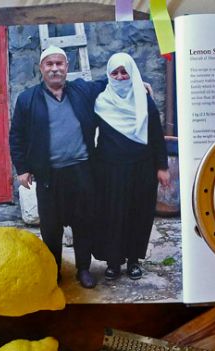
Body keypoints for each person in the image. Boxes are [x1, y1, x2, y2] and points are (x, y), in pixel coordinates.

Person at [9, 45, 106, 289]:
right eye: (49, 64)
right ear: (41, 68)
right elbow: (17, 135)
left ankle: (83, 269)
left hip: (81, 171)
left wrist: (138, 84)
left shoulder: (81, 90)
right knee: (51, 228)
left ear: (67, 67)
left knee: (84, 222)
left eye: (59, 63)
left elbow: (109, 82)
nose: (55, 69)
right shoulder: (27, 99)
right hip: (49, 175)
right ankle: (54, 271)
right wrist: (22, 168)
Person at [92, 52, 170, 281]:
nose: (119, 76)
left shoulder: (143, 100)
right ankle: (113, 262)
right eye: (115, 72)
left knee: (138, 214)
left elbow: (156, 135)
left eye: (124, 72)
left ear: (132, 73)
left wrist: (162, 167)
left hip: (141, 168)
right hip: (110, 170)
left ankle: (134, 261)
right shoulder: (101, 101)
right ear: (109, 75)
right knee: (112, 215)